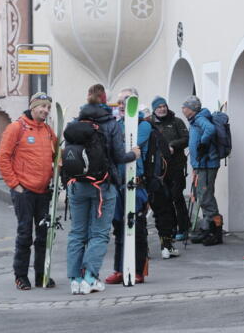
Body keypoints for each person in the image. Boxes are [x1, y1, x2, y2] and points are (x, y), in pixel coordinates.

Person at [67, 84, 140, 295]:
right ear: (104, 98)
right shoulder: (111, 124)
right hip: (103, 186)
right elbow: (119, 156)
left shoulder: (75, 123)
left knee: (77, 232)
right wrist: (134, 154)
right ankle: (90, 277)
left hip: (78, 184)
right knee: (99, 233)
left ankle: (75, 280)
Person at [0, 92, 58, 290]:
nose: (46, 110)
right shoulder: (17, 127)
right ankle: (21, 276)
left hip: (43, 191)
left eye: (48, 107)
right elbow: (2, 158)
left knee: (43, 235)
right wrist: (15, 185)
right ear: (33, 106)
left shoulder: (48, 131)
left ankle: (41, 275)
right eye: (43, 106)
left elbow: (56, 155)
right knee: (25, 234)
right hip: (24, 191)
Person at [105, 89, 152, 285]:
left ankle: (138, 269)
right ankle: (119, 268)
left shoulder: (143, 125)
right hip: (118, 183)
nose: (121, 105)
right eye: (119, 102)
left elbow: (130, 146)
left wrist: (116, 142)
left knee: (137, 227)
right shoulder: (117, 124)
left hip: (136, 184)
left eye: (125, 100)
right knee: (119, 227)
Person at [182, 95, 223, 246]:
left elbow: (210, 129)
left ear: (192, 109)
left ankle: (215, 232)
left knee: (205, 196)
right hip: (201, 165)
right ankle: (207, 229)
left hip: (207, 164)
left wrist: (203, 144)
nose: (183, 109)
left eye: (185, 107)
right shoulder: (196, 120)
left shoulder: (199, 118)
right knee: (202, 195)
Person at [150, 96, 191, 241]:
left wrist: (173, 145)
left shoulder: (176, 121)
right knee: (165, 199)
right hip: (159, 168)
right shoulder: (150, 123)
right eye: (159, 107)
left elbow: (187, 139)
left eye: (164, 106)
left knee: (177, 196)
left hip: (176, 166)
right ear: (154, 110)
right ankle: (171, 228)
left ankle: (184, 227)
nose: (162, 109)